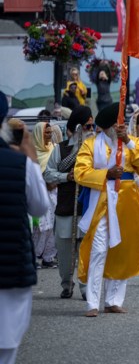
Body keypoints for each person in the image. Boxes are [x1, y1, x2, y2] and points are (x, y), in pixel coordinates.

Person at [75, 103, 139, 317]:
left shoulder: (132, 142)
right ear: (108, 127)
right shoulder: (91, 144)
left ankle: (113, 300)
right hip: (101, 201)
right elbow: (80, 172)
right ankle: (92, 302)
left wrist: (127, 141)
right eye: (118, 125)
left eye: (123, 124)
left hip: (127, 201)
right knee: (99, 249)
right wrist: (106, 174)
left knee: (122, 249)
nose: (121, 127)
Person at [0, 92, 51, 363]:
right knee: (7, 345)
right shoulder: (21, 164)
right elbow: (40, 207)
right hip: (11, 266)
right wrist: (28, 152)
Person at [43, 105, 95, 299]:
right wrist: (67, 177)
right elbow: (48, 174)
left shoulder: (96, 149)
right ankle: (67, 284)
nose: (91, 131)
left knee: (86, 252)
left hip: (88, 207)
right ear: (76, 128)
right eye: (87, 127)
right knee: (65, 255)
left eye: (93, 126)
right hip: (66, 208)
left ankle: (85, 288)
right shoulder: (61, 149)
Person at [32, 121, 59, 269]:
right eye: (46, 133)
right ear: (38, 134)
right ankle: (34, 256)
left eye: (50, 132)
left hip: (55, 191)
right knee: (40, 227)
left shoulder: (54, 149)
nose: (49, 135)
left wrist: (54, 181)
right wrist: (44, 181)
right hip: (39, 193)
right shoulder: (32, 152)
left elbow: (59, 167)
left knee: (52, 226)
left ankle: (48, 257)